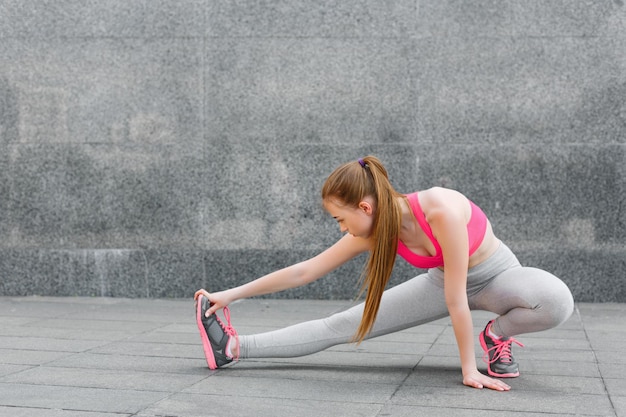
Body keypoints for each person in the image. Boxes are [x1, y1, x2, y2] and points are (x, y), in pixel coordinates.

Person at [194, 155, 574, 391]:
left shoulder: (440, 209)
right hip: (442, 282)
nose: (342, 229)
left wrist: (468, 369)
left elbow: (458, 300)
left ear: (364, 206)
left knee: (556, 301)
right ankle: (232, 348)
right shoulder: (375, 230)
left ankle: (496, 335)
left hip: (498, 277)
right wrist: (231, 294)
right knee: (339, 325)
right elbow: (304, 272)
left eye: (341, 220)